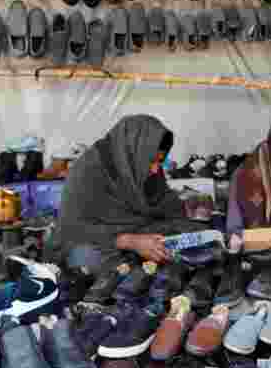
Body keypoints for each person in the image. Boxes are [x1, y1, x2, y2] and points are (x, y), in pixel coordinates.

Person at [49, 114, 204, 271]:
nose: (156, 169)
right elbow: (72, 230)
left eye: (160, 161)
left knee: (191, 233)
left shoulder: (140, 165)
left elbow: (167, 204)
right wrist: (130, 241)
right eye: (152, 161)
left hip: (139, 230)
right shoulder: (86, 172)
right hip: (96, 242)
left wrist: (182, 231)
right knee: (87, 259)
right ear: (132, 151)